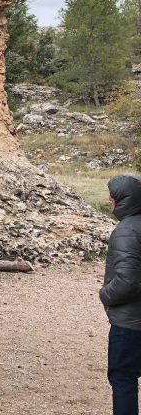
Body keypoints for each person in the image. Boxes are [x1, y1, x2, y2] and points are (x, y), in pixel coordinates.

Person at [101, 174, 141, 415]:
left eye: (112, 197)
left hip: (130, 323)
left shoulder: (125, 231)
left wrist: (105, 294)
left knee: (123, 378)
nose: (109, 201)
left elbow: (127, 282)